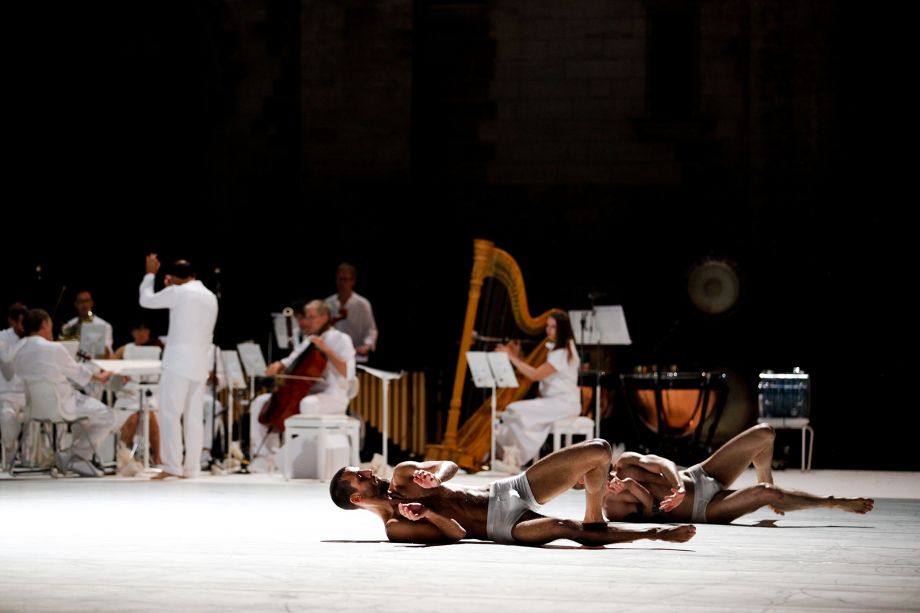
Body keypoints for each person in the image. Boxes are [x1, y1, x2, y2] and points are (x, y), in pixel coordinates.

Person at [329, 438, 696, 546]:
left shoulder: (402, 474)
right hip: (503, 526)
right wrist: (428, 513)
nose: (366, 470)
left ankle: (594, 517)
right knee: (564, 528)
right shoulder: (395, 527)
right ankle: (655, 533)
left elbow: (450, 465)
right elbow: (456, 533)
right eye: (358, 476)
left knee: (600, 450)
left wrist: (436, 478)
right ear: (356, 498)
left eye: (360, 468)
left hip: (509, 488)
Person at [603, 424, 875, 524]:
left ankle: (764, 475)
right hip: (705, 509)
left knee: (765, 433)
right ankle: (832, 502)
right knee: (767, 494)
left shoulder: (625, 462)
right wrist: (631, 487)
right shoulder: (612, 507)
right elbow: (655, 513)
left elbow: (663, 464)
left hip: (698, 475)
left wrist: (680, 486)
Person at [249, 300, 356, 466]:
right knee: (260, 402)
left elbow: (348, 372)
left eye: (312, 317)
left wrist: (326, 349)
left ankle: (305, 460)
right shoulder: (310, 340)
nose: (307, 321)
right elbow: (291, 360)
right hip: (306, 392)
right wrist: (278, 365)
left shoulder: (341, 339)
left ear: (324, 317)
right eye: (307, 317)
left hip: (333, 395)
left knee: (308, 404)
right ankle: (267, 457)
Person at [139, 254, 218, 479]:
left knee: (170, 413)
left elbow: (146, 300)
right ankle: (191, 468)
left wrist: (150, 274)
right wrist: (172, 286)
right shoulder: (210, 296)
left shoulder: (178, 292)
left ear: (174, 278)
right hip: (200, 363)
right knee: (193, 417)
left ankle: (172, 465)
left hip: (177, 363)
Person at [12, 308, 117, 477]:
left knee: (87, 416)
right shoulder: (53, 348)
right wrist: (102, 376)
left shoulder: (17, 349)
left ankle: (78, 458)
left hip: (34, 408)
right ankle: (74, 456)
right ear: (44, 324)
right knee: (108, 416)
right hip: (62, 405)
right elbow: (79, 374)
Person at [492, 312, 580, 471]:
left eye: (553, 327)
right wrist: (517, 356)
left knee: (515, 410)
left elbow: (535, 375)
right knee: (516, 413)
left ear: (563, 329)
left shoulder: (563, 352)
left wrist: (511, 356)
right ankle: (511, 457)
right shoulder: (562, 349)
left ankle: (514, 458)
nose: (548, 330)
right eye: (547, 326)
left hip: (564, 403)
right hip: (555, 402)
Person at [112, 321, 162, 471]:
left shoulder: (159, 349)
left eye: (144, 329)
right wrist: (120, 373)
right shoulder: (124, 350)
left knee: (150, 414)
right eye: (137, 330)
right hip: (128, 396)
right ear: (132, 332)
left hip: (150, 394)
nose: (141, 333)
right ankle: (123, 458)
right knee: (133, 417)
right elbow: (110, 369)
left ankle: (157, 458)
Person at [325, 262, 378, 364]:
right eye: (339, 279)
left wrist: (366, 346)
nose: (342, 283)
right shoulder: (328, 303)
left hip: (356, 356)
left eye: (345, 279)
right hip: (333, 356)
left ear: (352, 281)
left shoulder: (362, 304)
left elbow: (371, 329)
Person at [0, 303, 28, 472]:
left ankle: (34, 458)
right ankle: (9, 456)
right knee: (7, 416)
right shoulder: (2, 338)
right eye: (21, 323)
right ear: (12, 321)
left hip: (28, 394)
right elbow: (8, 369)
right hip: (6, 394)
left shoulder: (32, 338)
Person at [60, 289, 114, 358]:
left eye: (87, 301)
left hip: (94, 363)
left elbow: (108, 356)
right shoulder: (69, 325)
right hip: (73, 362)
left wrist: (97, 342)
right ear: (76, 304)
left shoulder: (104, 325)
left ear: (92, 303)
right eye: (81, 301)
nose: (84, 305)